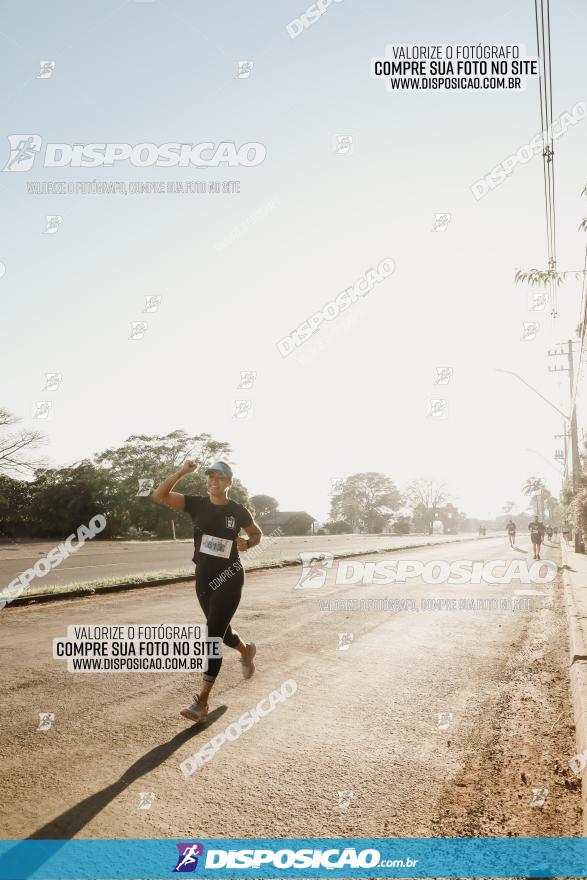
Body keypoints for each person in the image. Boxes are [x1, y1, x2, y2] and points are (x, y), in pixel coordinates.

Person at [153, 459, 262, 723]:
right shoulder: (196, 504)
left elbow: (256, 534)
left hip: (230, 577)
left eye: (220, 477)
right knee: (222, 633)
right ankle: (246, 650)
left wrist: (246, 544)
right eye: (210, 477)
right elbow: (160, 495)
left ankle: (201, 702)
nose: (214, 481)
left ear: (229, 482)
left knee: (212, 635)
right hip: (203, 578)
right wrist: (181, 472)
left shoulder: (238, 510)